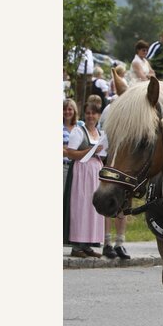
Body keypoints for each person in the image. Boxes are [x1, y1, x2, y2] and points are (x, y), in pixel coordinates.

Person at [64, 102, 106, 257]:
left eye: (94, 113)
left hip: (95, 172)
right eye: (88, 113)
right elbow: (70, 153)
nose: (90, 116)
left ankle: (89, 244)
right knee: (80, 207)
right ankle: (76, 246)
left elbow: (102, 154)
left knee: (92, 207)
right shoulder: (78, 131)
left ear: (98, 116)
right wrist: (90, 150)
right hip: (81, 171)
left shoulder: (100, 133)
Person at [98, 69, 131, 260]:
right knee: (108, 201)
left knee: (123, 204)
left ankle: (120, 242)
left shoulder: (132, 112)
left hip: (123, 161)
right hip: (109, 158)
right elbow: (103, 132)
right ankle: (107, 242)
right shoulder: (110, 109)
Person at [63, 99, 80, 190]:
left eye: (70, 109)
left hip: (77, 167)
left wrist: (67, 150)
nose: (67, 112)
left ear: (74, 111)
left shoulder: (81, 125)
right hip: (63, 168)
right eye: (64, 109)